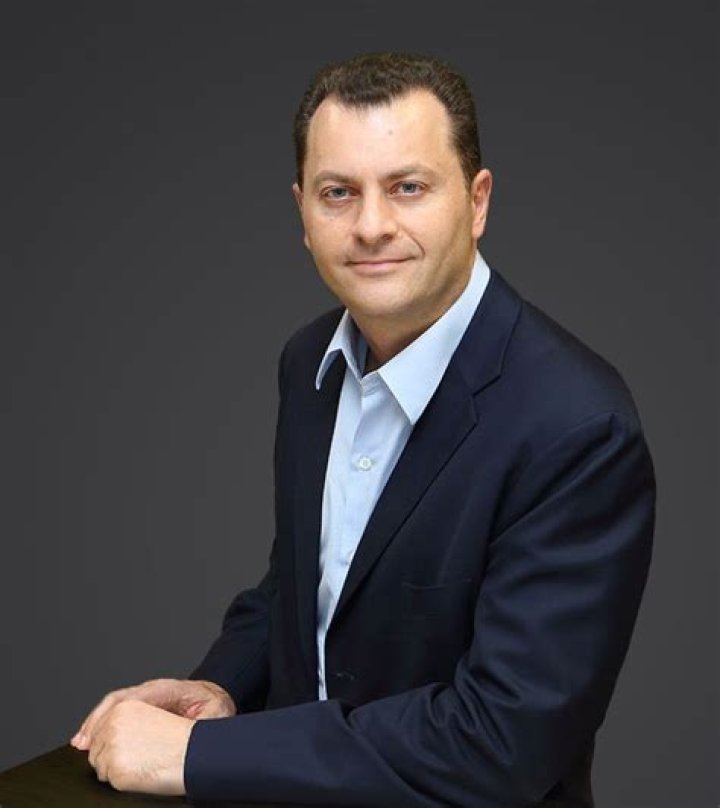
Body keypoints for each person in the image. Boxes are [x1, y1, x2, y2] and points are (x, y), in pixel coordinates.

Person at [70, 52, 655, 806]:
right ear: (302, 213)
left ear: (477, 202)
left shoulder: (578, 426)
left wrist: (200, 756)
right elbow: (303, 586)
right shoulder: (306, 364)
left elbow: (501, 743)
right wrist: (219, 688)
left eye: (408, 187)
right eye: (338, 193)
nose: (371, 226)